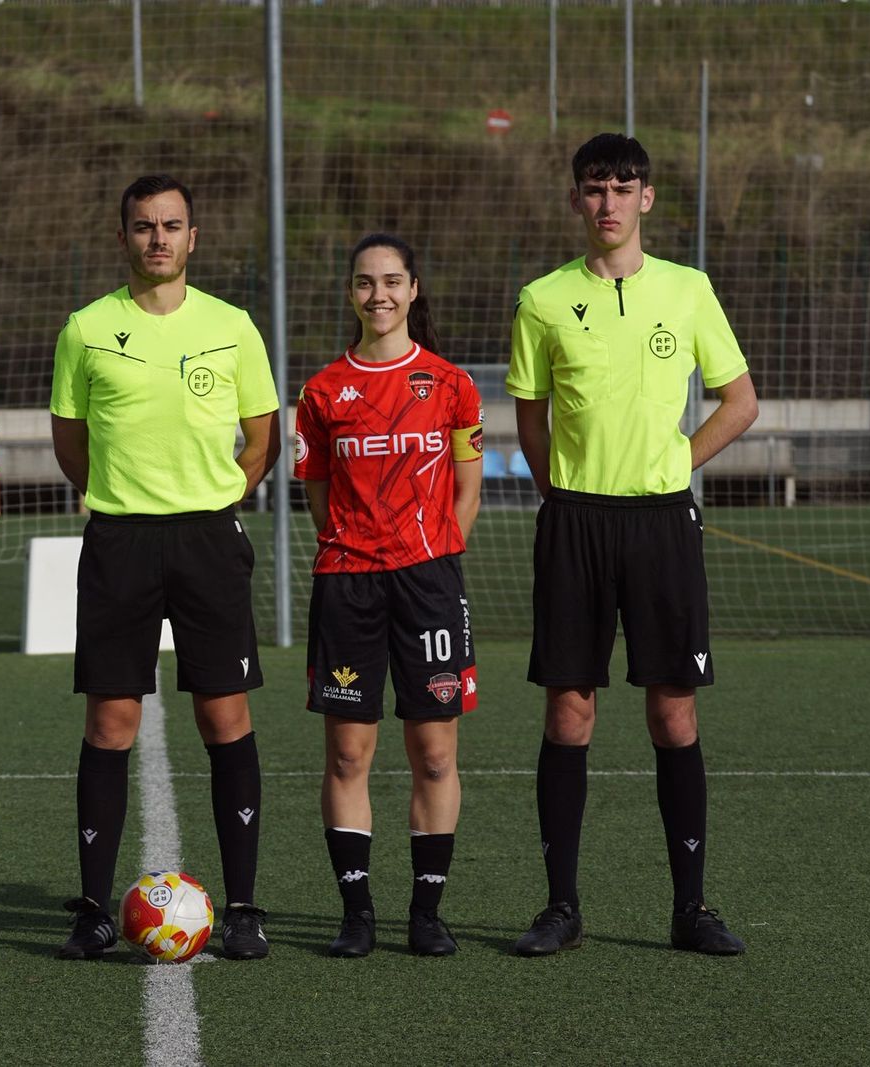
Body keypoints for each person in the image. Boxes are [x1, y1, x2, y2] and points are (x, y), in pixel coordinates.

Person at [505, 133, 759, 956]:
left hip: (660, 521)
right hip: (575, 521)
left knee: (672, 709)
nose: (607, 201)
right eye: (594, 187)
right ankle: (561, 907)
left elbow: (740, 400)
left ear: (646, 197)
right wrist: (560, 493)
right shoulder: (542, 299)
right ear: (576, 199)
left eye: (622, 187)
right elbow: (531, 418)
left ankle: (691, 908)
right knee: (569, 709)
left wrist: (675, 462)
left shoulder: (688, 289)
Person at [50, 174, 281, 960]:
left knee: (225, 716)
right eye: (145, 226)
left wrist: (214, 499)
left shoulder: (232, 326)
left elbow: (262, 437)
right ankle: (93, 908)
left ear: (193, 237)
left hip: (208, 542)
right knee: (111, 722)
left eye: (172, 225)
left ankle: (243, 907)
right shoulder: (86, 329)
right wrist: (125, 500)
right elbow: (70, 443)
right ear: (124, 237)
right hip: (120, 542)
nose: (158, 238)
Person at [294, 234, 484, 959]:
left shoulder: (451, 384)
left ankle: (427, 914)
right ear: (351, 292)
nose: (380, 295)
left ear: (413, 289)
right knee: (349, 753)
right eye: (366, 282)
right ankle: (357, 913)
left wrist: (431, 555)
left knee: (434, 753)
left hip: (429, 583)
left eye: (393, 281)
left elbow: (466, 491)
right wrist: (360, 549)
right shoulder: (321, 392)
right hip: (349, 583)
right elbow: (318, 494)